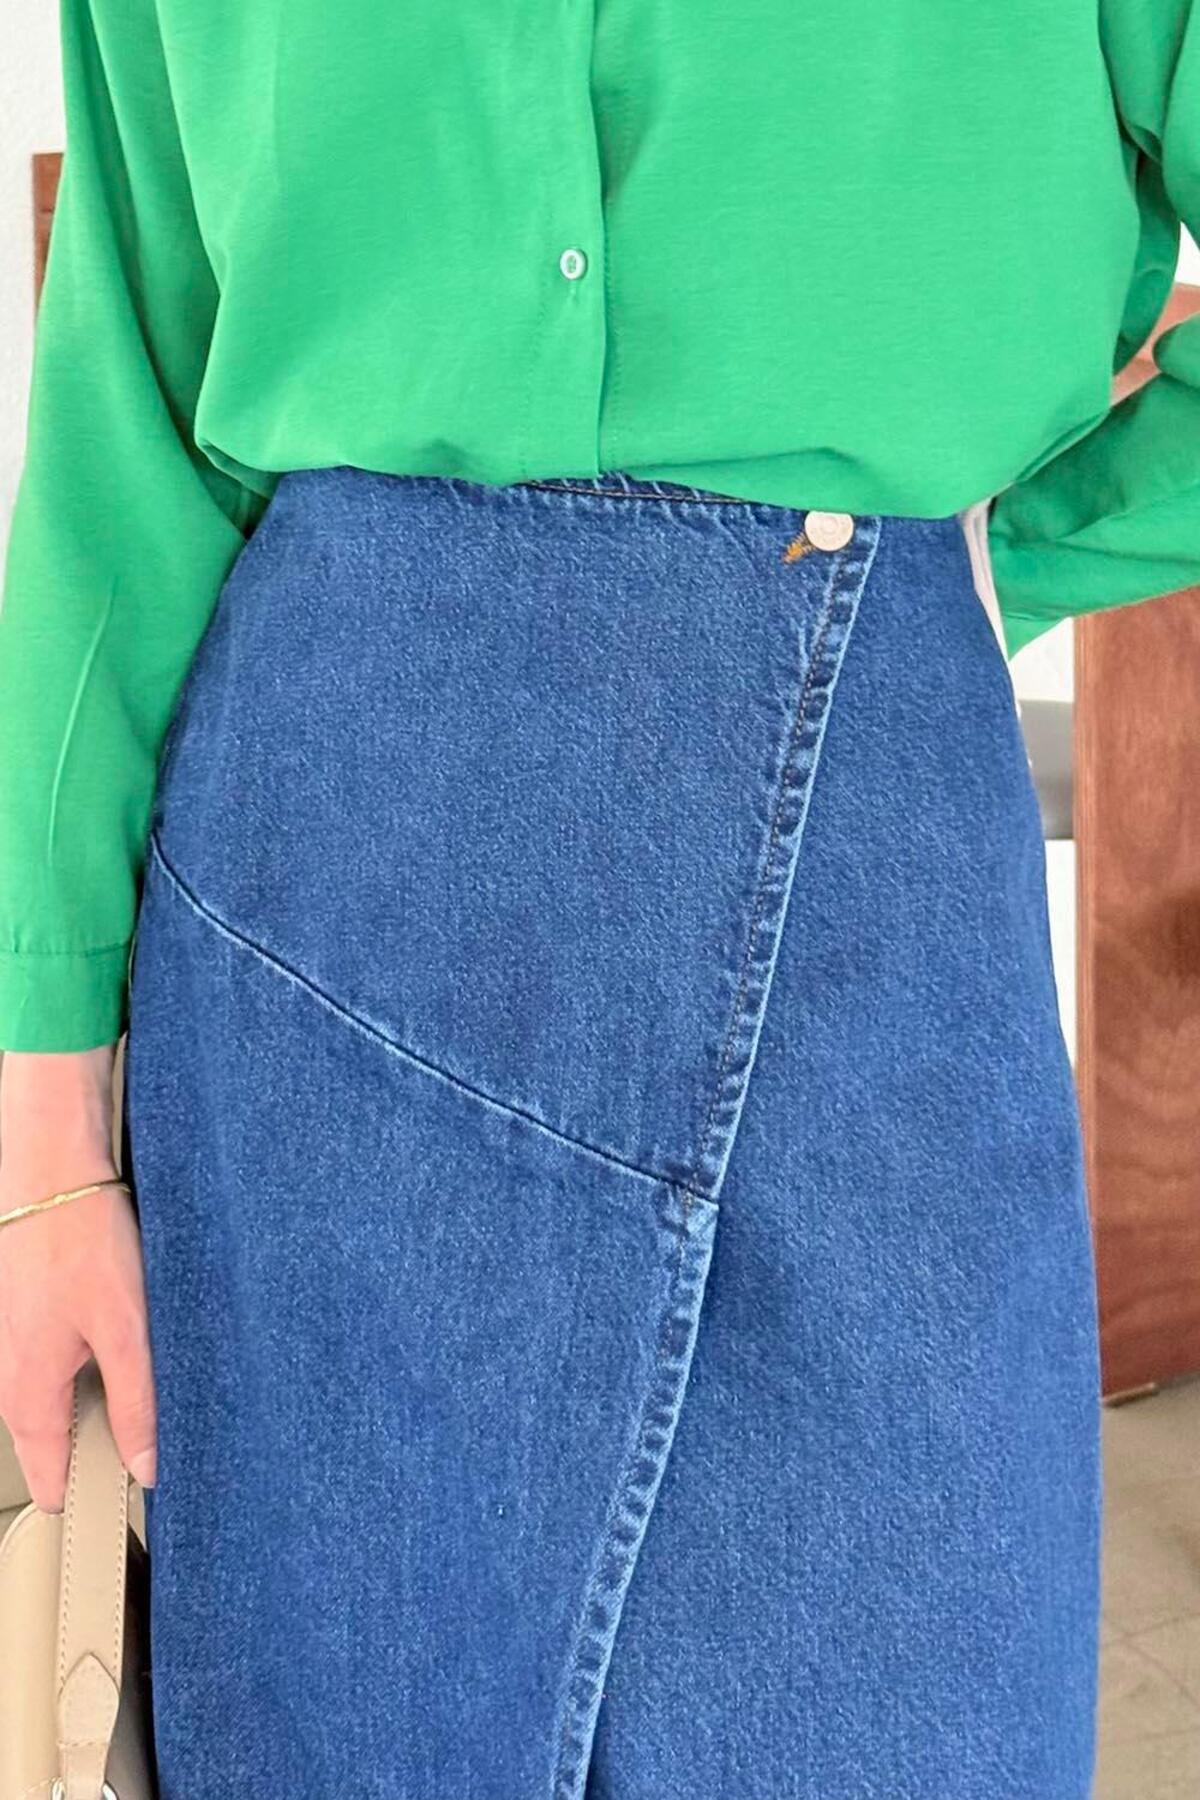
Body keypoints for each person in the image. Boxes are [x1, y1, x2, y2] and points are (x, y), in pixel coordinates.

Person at [1, 1, 1196, 1794]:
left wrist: (1000, 560)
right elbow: (131, 429)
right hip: (300, 944)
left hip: (864, 907)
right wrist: (40, 1152)